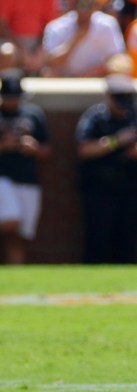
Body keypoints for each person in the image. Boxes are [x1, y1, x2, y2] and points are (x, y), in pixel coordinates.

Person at [75, 73, 137, 263]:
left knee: (127, 244)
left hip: (129, 189)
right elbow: (84, 149)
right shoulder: (95, 118)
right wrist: (116, 141)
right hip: (100, 189)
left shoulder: (136, 119)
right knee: (98, 243)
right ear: (109, 97)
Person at [0, 71, 51, 264]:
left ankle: (16, 274)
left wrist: (33, 147)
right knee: (12, 222)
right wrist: (4, 146)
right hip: (3, 178)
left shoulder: (33, 114)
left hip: (28, 179)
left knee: (22, 236)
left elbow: (47, 151)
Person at [41, 0, 126, 78]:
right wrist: (76, 39)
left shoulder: (108, 25)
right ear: (73, 5)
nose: (85, 9)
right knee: (49, 73)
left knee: (122, 69)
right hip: (65, 82)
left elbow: (118, 59)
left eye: (90, 4)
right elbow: (50, 62)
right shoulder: (56, 27)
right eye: (82, 4)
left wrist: (95, 72)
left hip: (97, 81)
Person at [0, 0, 60, 75]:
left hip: (39, 44)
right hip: (11, 42)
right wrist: (21, 50)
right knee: (7, 52)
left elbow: (51, 25)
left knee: (58, 56)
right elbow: (2, 25)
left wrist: (40, 50)